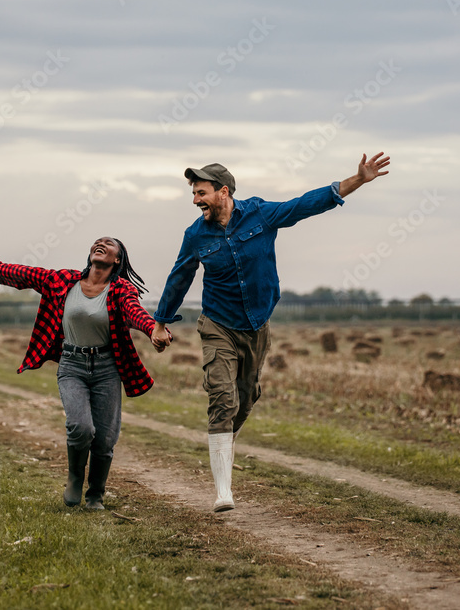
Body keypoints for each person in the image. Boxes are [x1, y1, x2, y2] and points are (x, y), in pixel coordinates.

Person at [150, 153, 391, 511]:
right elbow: (179, 277)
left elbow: (304, 204)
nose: (196, 200)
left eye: (201, 193)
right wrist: (160, 322)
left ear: (224, 191)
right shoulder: (195, 235)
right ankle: (223, 492)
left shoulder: (260, 214)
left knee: (245, 399)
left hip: (257, 326)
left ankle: (225, 441)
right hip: (217, 324)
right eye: (194, 194)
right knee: (222, 397)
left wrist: (356, 181)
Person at [0, 237, 170, 510]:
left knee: (105, 438)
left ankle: (95, 494)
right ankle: (75, 478)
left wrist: (154, 330)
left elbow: (135, 313)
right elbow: (27, 274)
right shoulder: (63, 281)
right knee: (80, 427)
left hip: (107, 369)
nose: (101, 243)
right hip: (72, 365)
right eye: (98, 241)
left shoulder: (121, 290)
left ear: (117, 259)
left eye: (109, 243)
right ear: (90, 254)